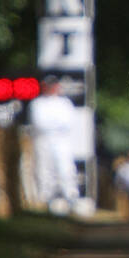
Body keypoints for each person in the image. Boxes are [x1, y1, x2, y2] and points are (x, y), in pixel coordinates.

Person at [29, 75, 79, 213]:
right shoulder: (37, 103)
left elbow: (67, 123)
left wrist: (53, 125)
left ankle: (70, 196)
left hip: (61, 140)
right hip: (43, 140)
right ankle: (45, 198)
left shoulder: (65, 103)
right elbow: (39, 123)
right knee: (44, 169)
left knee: (65, 168)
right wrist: (54, 125)